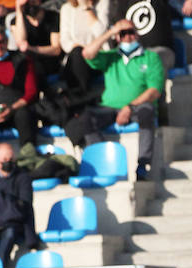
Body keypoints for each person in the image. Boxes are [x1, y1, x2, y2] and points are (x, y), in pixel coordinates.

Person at [66, 19, 163, 180]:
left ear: (137, 34)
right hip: (109, 107)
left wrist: (129, 107)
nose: (127, 37)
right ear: (117, 38)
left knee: (148, 111)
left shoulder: (150, 57)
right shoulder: (111, 57)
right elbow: (87, 54)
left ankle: (143, 164)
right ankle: (102, 160)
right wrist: (110, 32)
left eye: (131, 32)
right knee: (85, 118)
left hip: (137, 107)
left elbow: (154, 91)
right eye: (123, 34)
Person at [12, 0, 62, 80]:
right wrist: (19, 12)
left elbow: (56, 50)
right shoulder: (16, 21)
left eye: (33, 1)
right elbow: (21, 42)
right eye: (27, 3)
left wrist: (32, 49)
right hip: (30, 62)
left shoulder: (53, 17)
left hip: (50, 59)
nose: (30, 5)